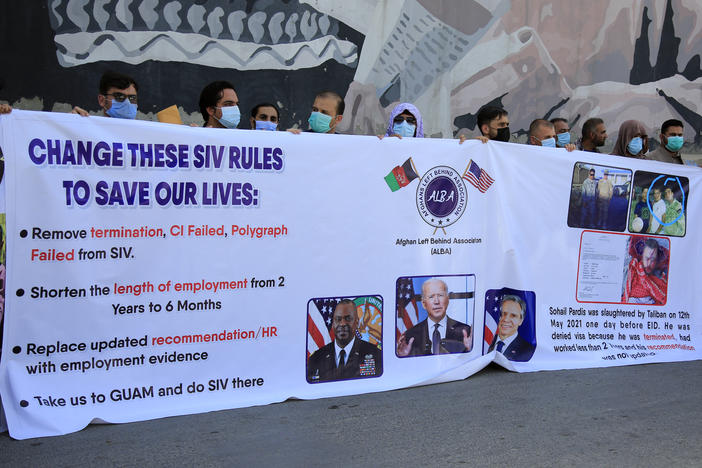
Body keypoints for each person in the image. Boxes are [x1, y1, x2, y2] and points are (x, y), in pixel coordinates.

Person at [307, 299, 382, 382]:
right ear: (333, 324)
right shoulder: (316, 358)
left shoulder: (376, 354)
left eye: (348, 318)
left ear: (357, 322)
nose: (342, 324)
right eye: (338, 319)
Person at [396, 279, 472, 357]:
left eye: (440, 295)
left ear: (447, 300)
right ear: (423, 304)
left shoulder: (465, 331)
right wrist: (403, 356)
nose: (436, 301)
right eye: (431, 297)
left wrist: (469, 350)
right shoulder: (410, 335)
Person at [72, 71, 139, 119]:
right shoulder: (86, 131)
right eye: (119, 96)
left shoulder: (145, 134)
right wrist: (68, 121)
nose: (127, 102)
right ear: (102, 100)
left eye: (132, 98)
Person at [487, 295, 535, 362]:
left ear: (521, 320)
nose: (506, 319)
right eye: (503, 314)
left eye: (513, 316)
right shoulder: (486, 341)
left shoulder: (528, 350)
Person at [622, 237, 668, 304]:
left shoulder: (660, 279)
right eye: (647, 258)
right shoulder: (630, 271)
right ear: (642, 256)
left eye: (653, 260)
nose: (649, 264)